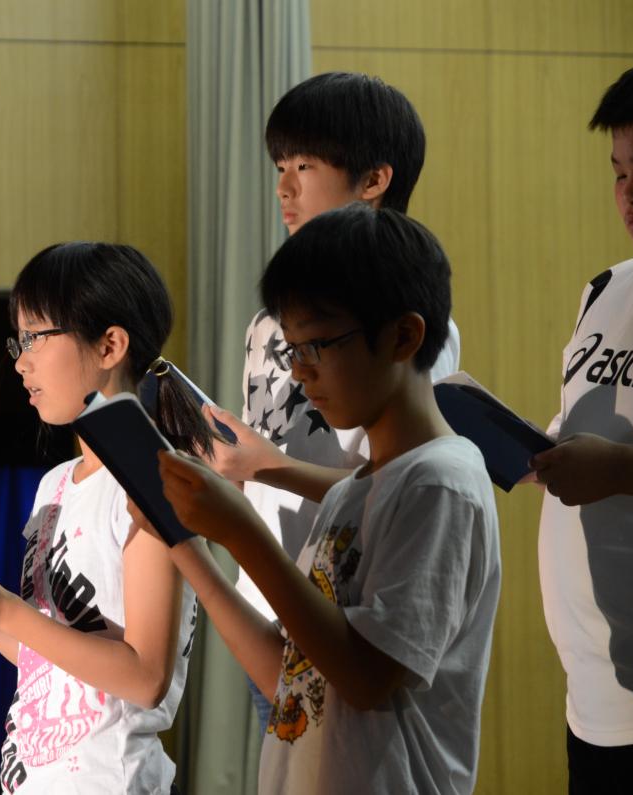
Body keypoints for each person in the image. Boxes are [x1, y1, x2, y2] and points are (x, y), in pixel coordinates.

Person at [142, 205, 500, 793]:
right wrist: (181, 541)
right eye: (292, 350)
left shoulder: (442, 482)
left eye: (318, 345)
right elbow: (292, 675)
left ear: (404, 336)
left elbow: (364, 677)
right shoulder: (351, 494)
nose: (301, 373)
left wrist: (240, 532)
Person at [204, 72, 461, 723]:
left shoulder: (409, 329)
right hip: (270, 595)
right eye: (279, 166)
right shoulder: (267, 323)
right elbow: (257, 463)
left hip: (347, 607)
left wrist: (264, 463)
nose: (284, 186)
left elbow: (387, 489)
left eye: (305, 165)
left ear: (374, 180)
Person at [0, 243, 208, 794]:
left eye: (34, 337)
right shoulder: (56, 482)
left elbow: (145, 678)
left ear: (110, 345)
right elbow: (45, 654)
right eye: (17, 340)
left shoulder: (154, 480)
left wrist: (3, 607)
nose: (20, 360)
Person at [531, 61, 633, 794]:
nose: (631, 192)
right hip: (592, 689)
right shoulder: (608, 288)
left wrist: (624, 470)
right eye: (619, 171)